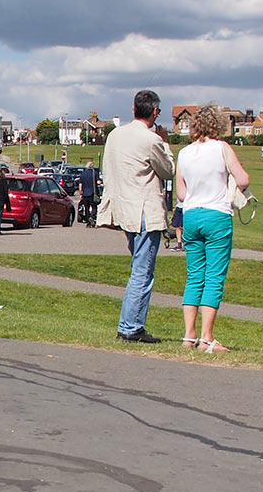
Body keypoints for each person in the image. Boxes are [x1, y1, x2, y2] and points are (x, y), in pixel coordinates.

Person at [97, 89, 174, 344]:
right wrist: (165, 142)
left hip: (124, 208)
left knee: (138, 267)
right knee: (143, 271)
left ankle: (131, 324)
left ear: (133, 109)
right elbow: (168, 170)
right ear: (154, 112)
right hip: (144, 210)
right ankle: (130, 326)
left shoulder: (115, 135)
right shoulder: (151, 140)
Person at [176, 106, 250, 353]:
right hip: (216, 214)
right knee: (214, 276)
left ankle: (189, 335)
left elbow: (181, 193)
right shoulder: (222, 148)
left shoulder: (184, 153)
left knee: (195, 274)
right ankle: (207, 337)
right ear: (217, 125)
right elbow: (243, 180)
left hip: (191, 215)